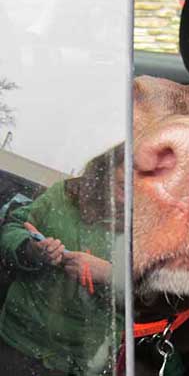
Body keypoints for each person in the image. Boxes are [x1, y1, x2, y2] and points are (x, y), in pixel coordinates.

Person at [0, 144, 125, 375]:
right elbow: (15, 227)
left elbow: (154, 296)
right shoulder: (63, 195)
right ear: (106, 172)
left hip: (81, 360)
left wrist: (109, 274)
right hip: (18, 340)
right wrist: (31, 248)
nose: (127, 197)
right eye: (121, 186)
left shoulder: (148, 230)